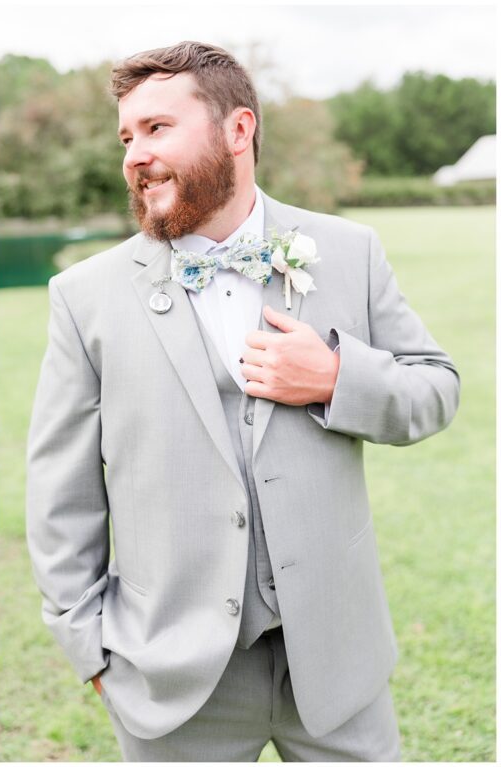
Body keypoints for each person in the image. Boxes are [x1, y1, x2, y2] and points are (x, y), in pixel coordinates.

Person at [25, 41, 459, 762]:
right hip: (171, 673)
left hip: (335, 657)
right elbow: (58, 490)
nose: (135, 153)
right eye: (127, 137)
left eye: (158, 128)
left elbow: (435, 387)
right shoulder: (85, 297)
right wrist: (90, 646)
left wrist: (335, 378)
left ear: (238, 131)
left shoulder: (349, 251)